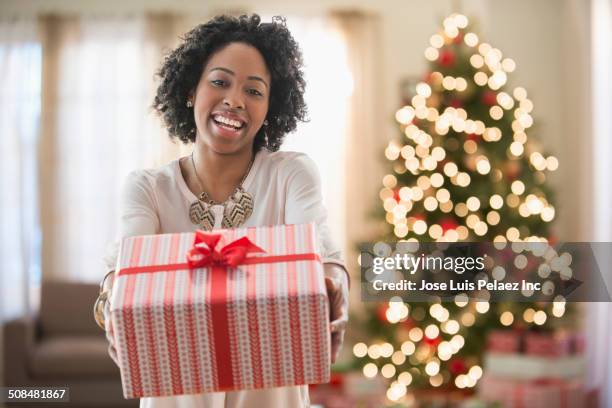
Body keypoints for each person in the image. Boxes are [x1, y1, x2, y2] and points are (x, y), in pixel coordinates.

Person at [93, 14, 349, 408]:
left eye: (254, 90)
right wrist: (111, 301)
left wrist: (335, 285)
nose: (234, 100)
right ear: (191, 91)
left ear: (270, 107)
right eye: (219, 82)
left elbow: (319, 247)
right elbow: (129, 262)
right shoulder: (148, 187)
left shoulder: (291, 174)